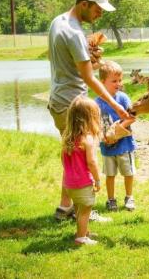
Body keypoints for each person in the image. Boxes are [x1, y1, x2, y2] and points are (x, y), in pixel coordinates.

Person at [48, 0, 130, 221]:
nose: (100, 13)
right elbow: (89, 78)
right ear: (84, 4)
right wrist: (116, 105)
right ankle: (85, 211)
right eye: (97, 8)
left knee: (72, 157)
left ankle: (65, 209)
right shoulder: (74, 33)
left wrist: (91, 59)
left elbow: (75, 66)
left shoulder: (58, 22)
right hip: (73, 106)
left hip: (58, 100)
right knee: (84, 159)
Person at [61, 95, 110, 245]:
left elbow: (63, 160)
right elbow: (92, 162)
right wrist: (97, 179)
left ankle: (83, 232)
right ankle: (81, 238)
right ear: (90, 118)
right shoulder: (88, 139)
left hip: (69, 184)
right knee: (85, 210)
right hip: (83, 183)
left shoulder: (68, 138)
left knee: (78, 208)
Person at [95, 61, 137, 211]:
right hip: (107, 146)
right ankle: (111, 200)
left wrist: (118, 129)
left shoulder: (123, 98)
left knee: (128, 172)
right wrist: (104, 135)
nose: (118, 83)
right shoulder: (97, 102)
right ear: (102, 83)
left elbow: (132, 117)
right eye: (114, 81)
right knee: (110, 174)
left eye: (120, 80)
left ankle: (129, 197)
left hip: (125, 144)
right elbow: (95, 123)